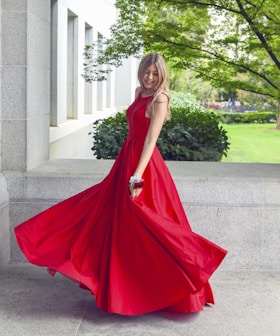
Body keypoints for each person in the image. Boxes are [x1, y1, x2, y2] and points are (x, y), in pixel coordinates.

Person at [14, 53, 227, 316]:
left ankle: (180, 286)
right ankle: (120, 285)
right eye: (146, 72)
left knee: (154, 228)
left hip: (143, 167)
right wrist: (126, 167)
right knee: (109, 220)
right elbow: (134, 133)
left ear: (162, 75)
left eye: (155, 74)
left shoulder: (160, 98)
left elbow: (150, 140)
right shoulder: (140, 92)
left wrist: (137, 176)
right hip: (127, 160)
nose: (150, 77)